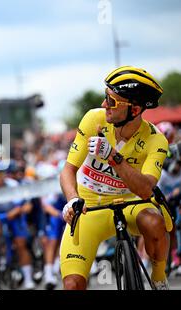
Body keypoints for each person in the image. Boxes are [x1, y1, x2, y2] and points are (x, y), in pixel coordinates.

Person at [59, 66, 171, 290]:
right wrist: (72, 199)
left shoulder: (156, 140)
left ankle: (159, 277)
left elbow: (146, 190)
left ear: (135, 109)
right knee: (72, 285)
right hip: (90, 207)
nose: (104, 105)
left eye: (111, 101)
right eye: (105, 97)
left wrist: (112, 156)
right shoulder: (94, 119)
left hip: (132, 204)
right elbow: (68, 170)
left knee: (154, 221)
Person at [0, 159, 35, 290]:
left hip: (14, 215)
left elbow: (21, 205)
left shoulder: (13, 185)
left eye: (1, 174)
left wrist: (15, 212)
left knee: (21, 244)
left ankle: (28, 278)